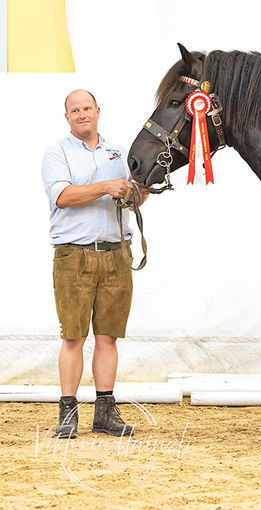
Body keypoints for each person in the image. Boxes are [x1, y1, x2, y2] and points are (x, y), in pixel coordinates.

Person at [41, 89, 145, 438]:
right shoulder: (57, 152)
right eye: (75, 110)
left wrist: (140, 192)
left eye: (87, 108)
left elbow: (134, 197)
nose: (81, 114)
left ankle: (105, 412)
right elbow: (63, 196)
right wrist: (106, 187)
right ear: (67, 117)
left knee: (108, 337)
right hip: (74, 255)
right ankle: (67, 413)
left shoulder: (119, 152)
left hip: (116, 252)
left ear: (98, 111)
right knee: (73, 337)